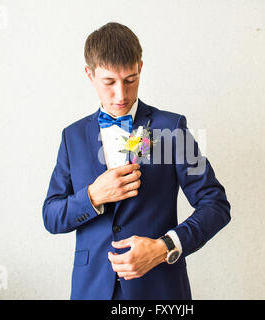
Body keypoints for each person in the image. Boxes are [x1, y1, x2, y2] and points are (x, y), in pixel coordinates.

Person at [42, 22, 231, 300]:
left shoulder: (171, 128)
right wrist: (93, 196)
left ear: (140, 68)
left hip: (159, 290)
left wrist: (163, 247)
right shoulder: (72, 137)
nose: (121, 94)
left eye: (130, 80)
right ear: (89, 74)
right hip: (90, 290)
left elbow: (215, 204)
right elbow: (51, 215)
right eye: (109, 82)